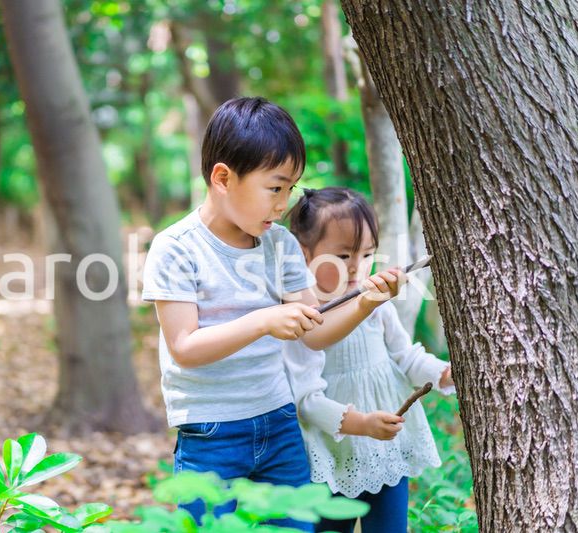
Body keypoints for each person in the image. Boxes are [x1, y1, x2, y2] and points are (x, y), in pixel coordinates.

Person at [142, 98, 405, 531]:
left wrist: (365, 302)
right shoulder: (176, 249)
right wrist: (264, 320)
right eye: (274, 188)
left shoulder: (279, 244)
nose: (283, 204)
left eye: (291, 189)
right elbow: (184, 347)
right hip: (211, 435)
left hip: (279, 424)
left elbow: (314, 332)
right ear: (223, 178)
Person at [283, 187, 455, 533]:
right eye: (343, 256)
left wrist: (443, 374)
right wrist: (361, 424)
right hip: (332, 454)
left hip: (385, 450)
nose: (357, 268)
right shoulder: (301, 317)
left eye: (367, 255)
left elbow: (406, 357)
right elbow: (306, 400)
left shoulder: (376, 307)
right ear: (304, 254)